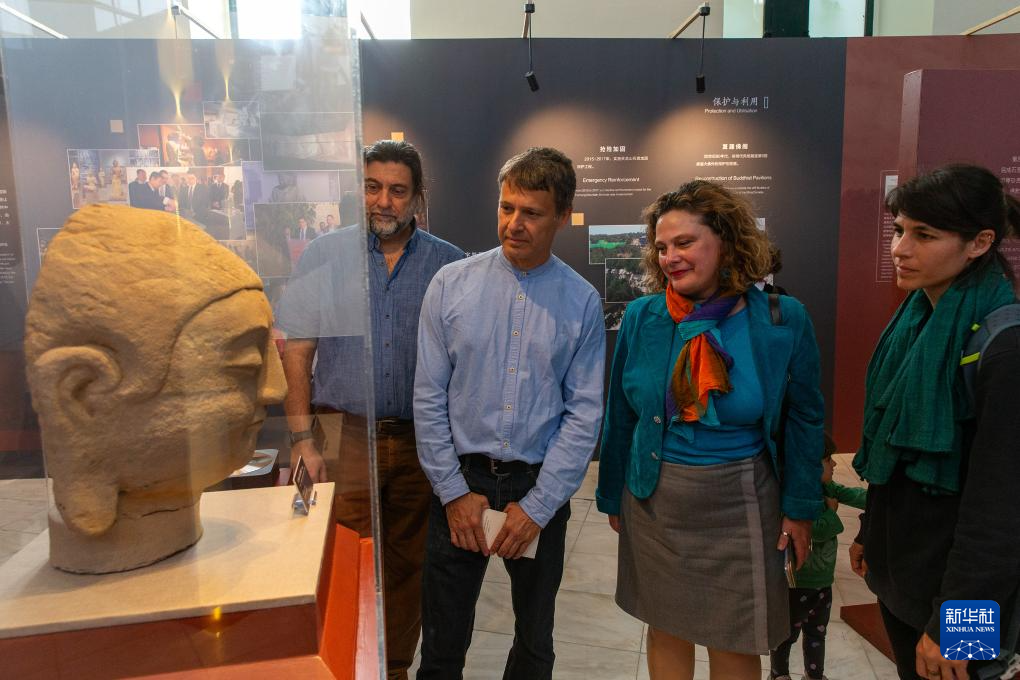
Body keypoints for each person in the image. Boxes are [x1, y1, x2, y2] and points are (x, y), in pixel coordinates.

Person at [596, 180, 824, 680]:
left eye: (684, 243)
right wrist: (612, 495)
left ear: (726, 242)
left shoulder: (782, 319)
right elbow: (622, 415)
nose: (670, 257)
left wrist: (801, 508)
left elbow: (805, 419)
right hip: (657, 500)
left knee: (736, 638)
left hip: (743, 500)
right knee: (666, 628)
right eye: (661, 247)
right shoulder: (643, 317)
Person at [414, 147, 606, 680]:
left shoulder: (581, 302)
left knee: (534, 644)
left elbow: (583, 414)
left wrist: (539, 507)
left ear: (562, 216)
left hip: (536, 484)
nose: (513, 224)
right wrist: (453, 493)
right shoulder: (451, 285)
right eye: (506, 207)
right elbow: (428, 397)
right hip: (461, 483)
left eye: (531, 213)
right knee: (442, 644)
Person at [277, 140, 463, 680]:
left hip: (420, 442)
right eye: (373, 187)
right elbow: (298, 350)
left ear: (418, 196)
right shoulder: (324, 255)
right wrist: (301, 438)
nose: (383, 201)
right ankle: (345, 664)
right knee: (344, 559)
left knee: (409, 566)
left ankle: (395, 668)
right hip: (344, 437)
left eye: (397, 190)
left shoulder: (449, 264)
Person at [850, 164, 1020, 680]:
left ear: (979, 243)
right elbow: (893, 449)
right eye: (900, 230)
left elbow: (1002, 510)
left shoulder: (1005, 347)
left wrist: (959, 628)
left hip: (962, 603)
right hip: (905, 579)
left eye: (924, 235)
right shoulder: (917, 321)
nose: (900, 249)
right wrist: (869, 532)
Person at [770, 434, 867, 680]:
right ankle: (779, 674)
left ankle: (815, 675)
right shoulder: (797, 498)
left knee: (817, 633)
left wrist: (879, 497)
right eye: (827, 460)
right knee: (786, 635)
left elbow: (852, 494)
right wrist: (832, 512)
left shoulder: (827, 488)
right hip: (798, 583)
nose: (834, 464)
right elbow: (816, 530)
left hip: (823, 582)